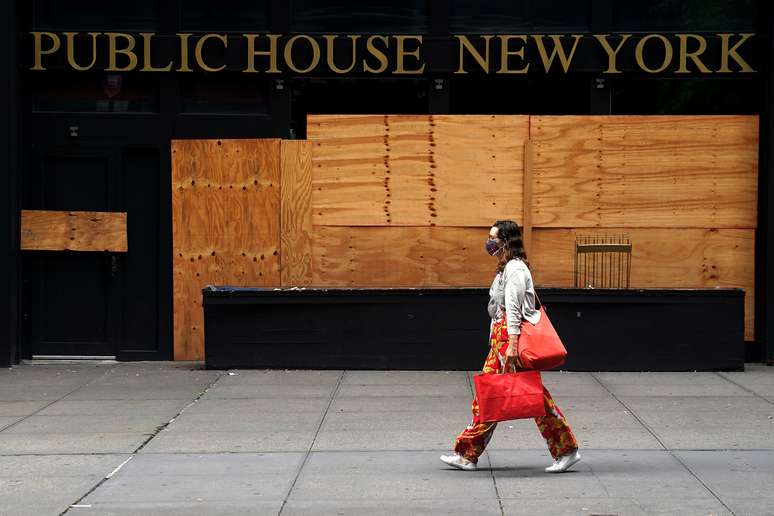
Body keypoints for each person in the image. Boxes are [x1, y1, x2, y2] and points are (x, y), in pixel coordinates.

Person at [440, 220, 581, 473]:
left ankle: (468, 454)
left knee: (496, 397)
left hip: (509, 342)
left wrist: (512, 346)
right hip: (501, 342)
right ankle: (469, 454)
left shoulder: (515, 269)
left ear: (506, 240)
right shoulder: (506, 267)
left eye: (493, 237)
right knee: (507, 396)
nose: (489, 242)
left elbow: (513, 310)